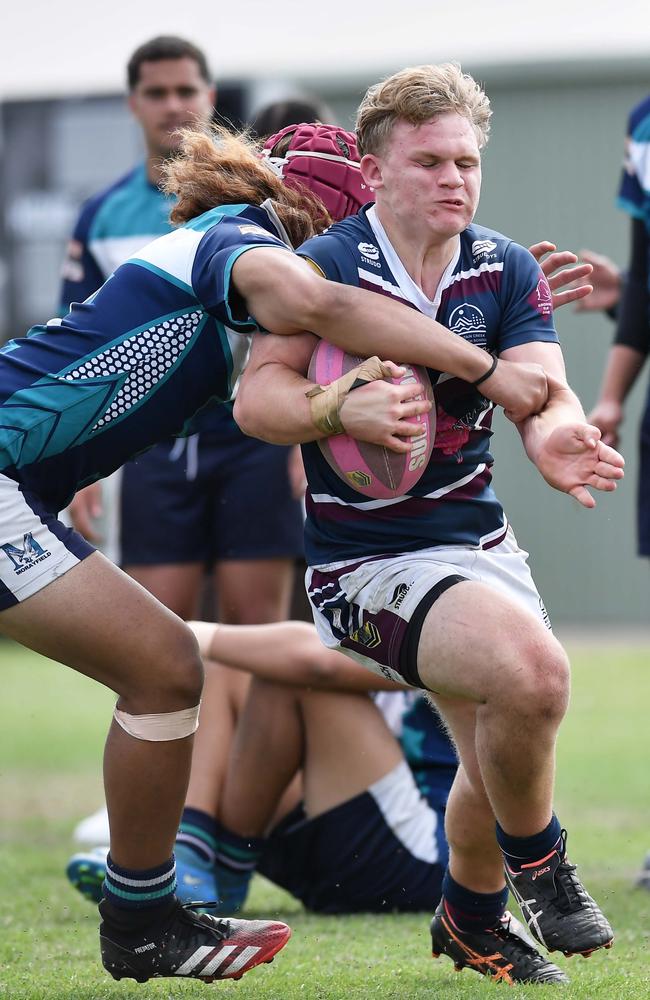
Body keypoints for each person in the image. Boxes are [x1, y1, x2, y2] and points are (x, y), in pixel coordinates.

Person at [0, 108, 561, 984]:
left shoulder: (247, 272)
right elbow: (325, 302)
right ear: (323, 206)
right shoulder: (242, 244)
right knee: (162, 663)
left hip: (18, 485)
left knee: (164, 667)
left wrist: (504, 306)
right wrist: (489, 368)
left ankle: (148, 913)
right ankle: (144, 916)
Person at [234, 65, 623, 983]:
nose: (455, 179)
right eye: (431, 162)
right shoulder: (326, 267)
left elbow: (542, 389)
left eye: (468, 162)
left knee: (497, 747)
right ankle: (546, 868)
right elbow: (258, 401)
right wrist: (336, 410)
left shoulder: (501, 266)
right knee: (532, 676)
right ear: (372, 172)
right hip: (364, 567)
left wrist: (561, 435)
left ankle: (471, 921)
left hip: (477, 547)